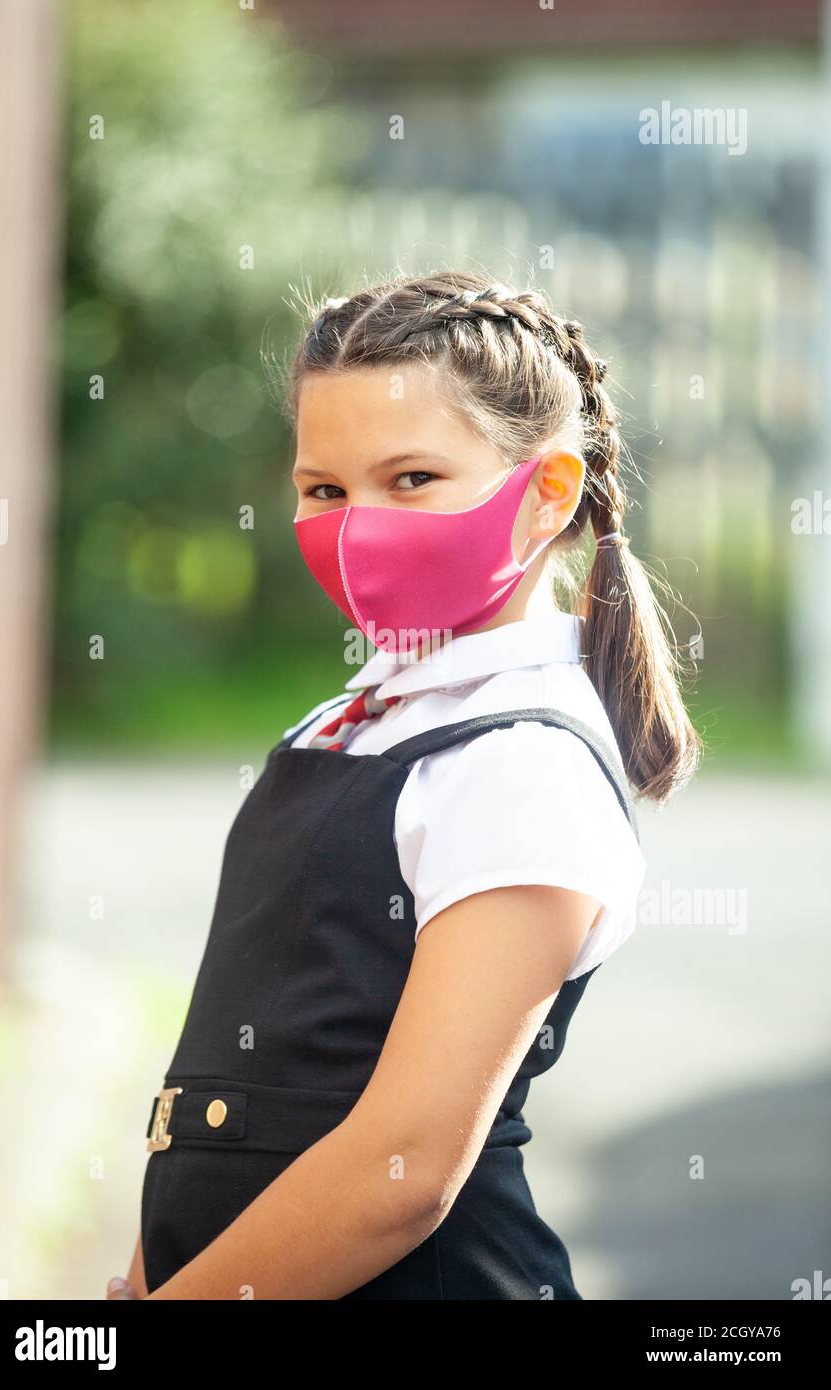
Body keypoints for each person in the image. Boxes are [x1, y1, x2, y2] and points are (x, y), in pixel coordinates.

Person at [111, 269, 700, 1301]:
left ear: (546, 492)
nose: (356, 522)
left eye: (412, 478)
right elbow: (219, 1081)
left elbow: (407, 1167)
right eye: (324, 489)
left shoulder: (521, 762)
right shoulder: (350, 716)